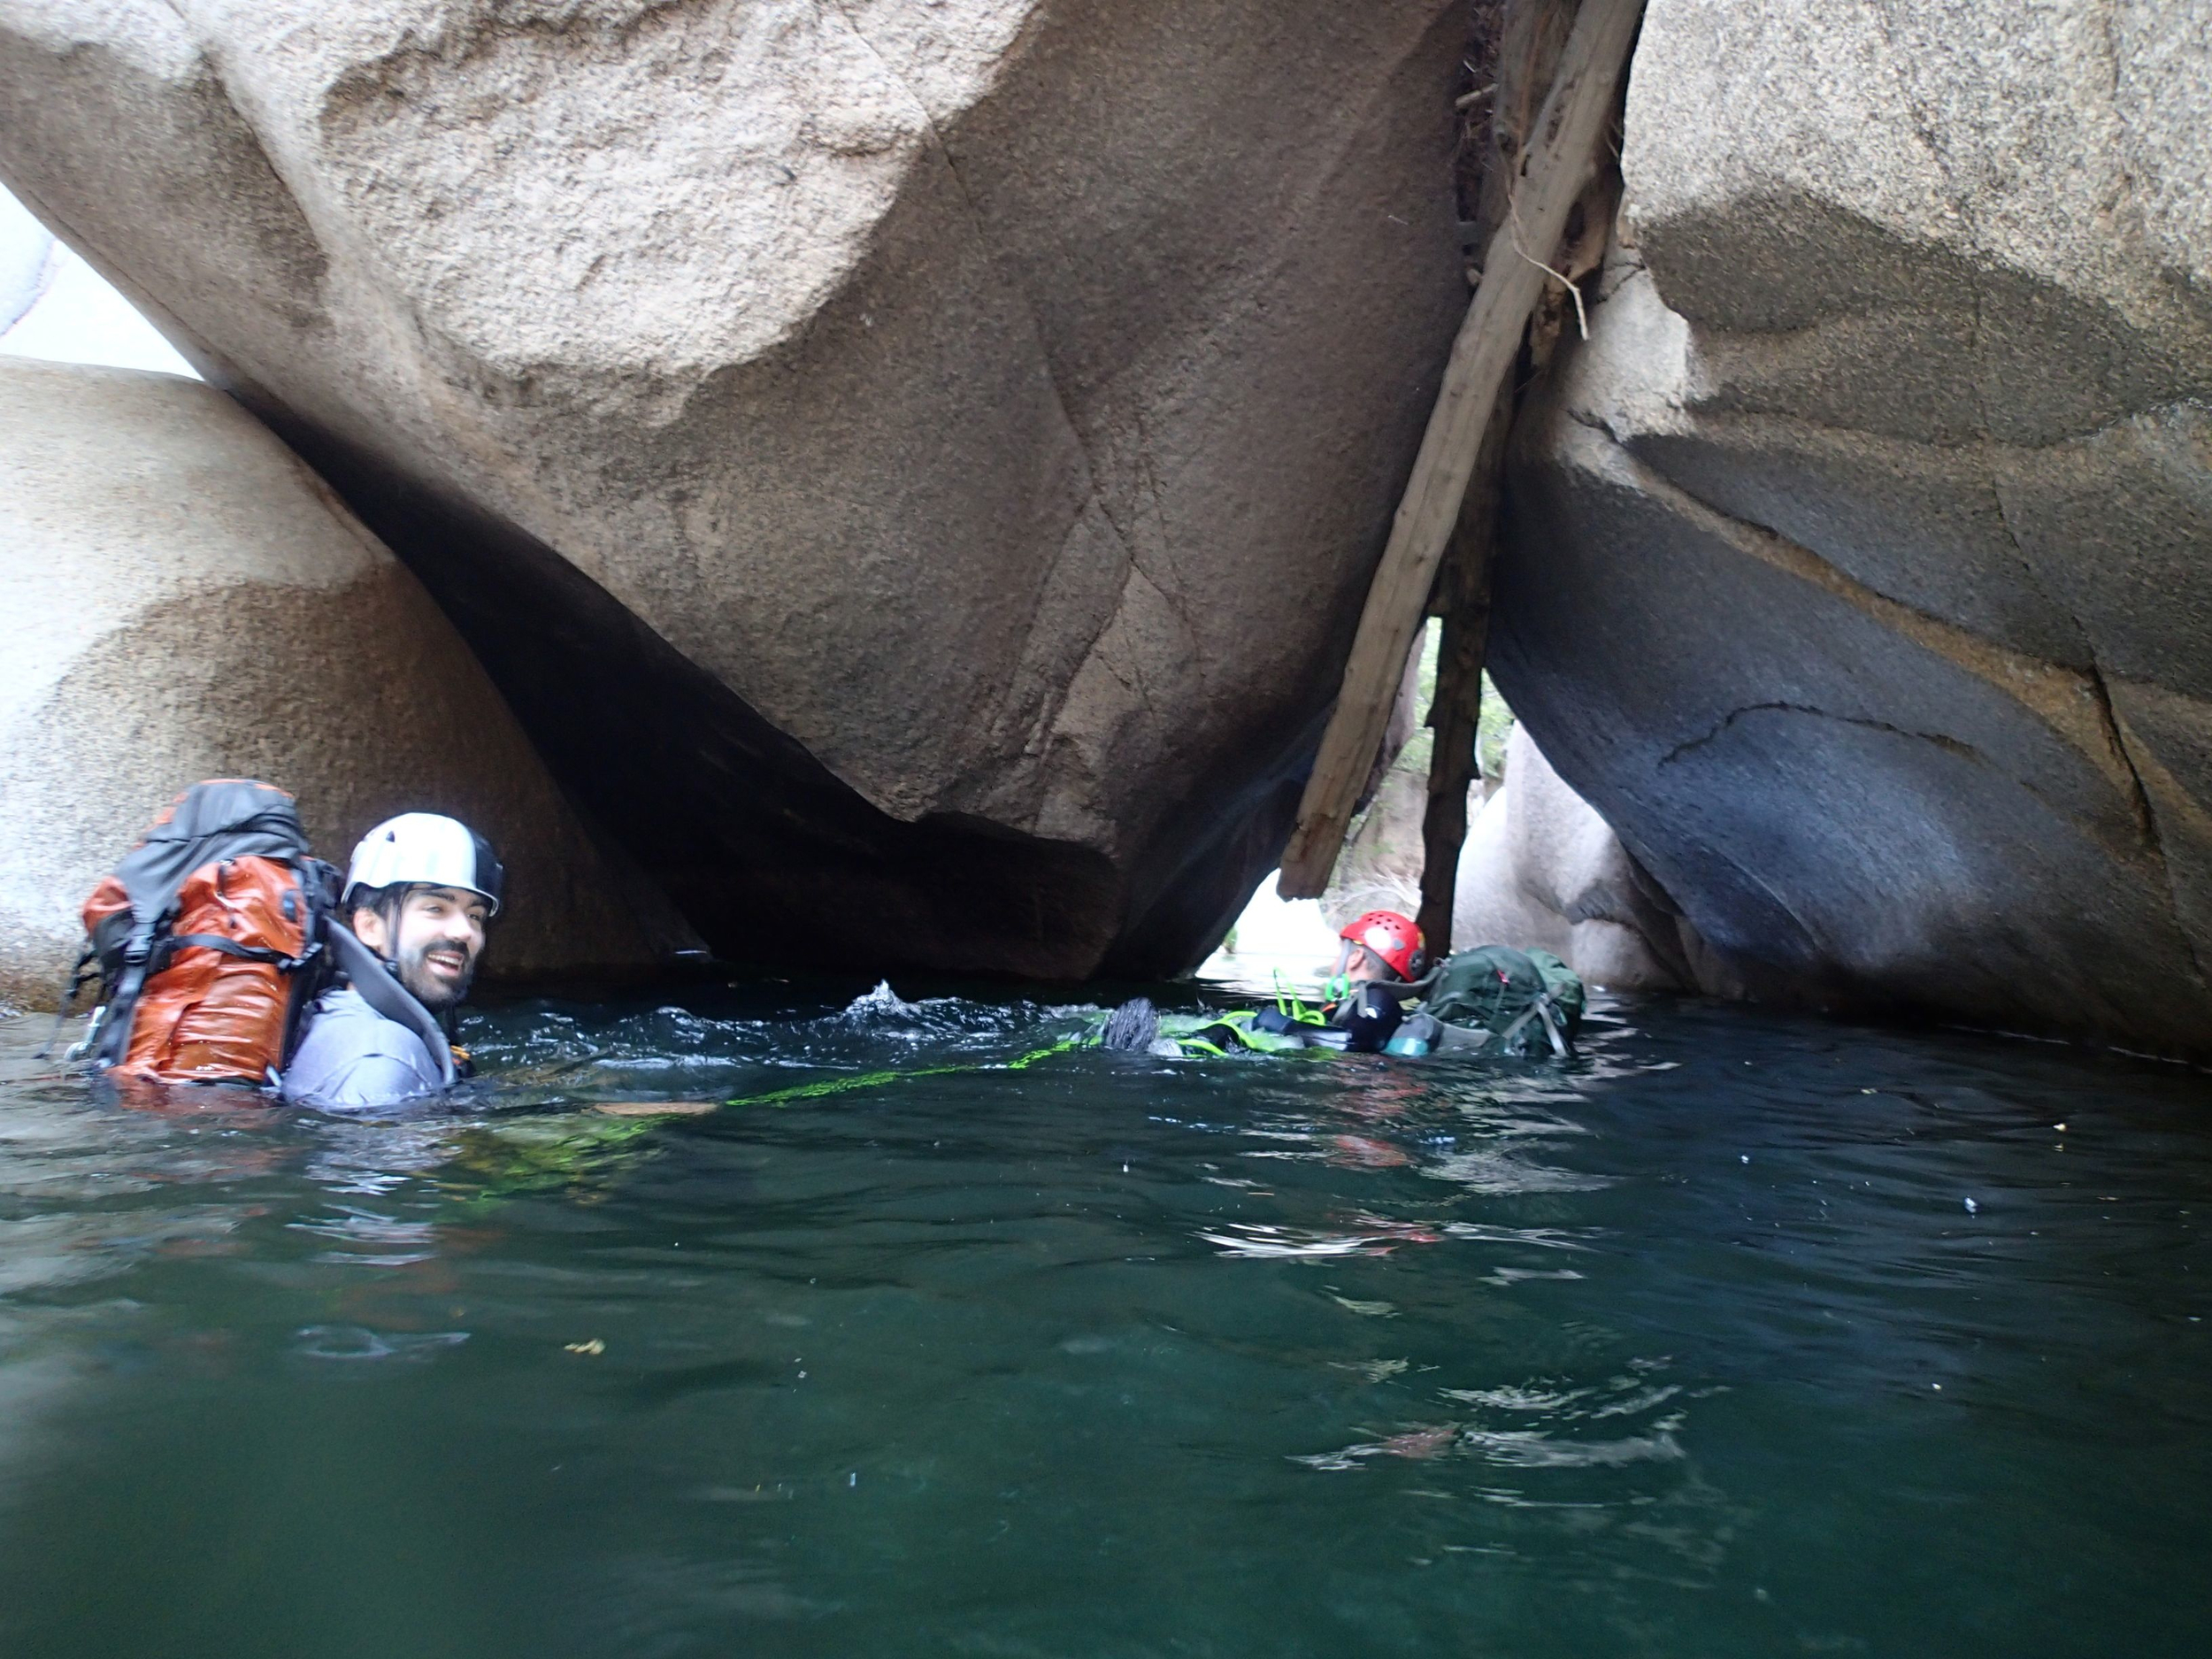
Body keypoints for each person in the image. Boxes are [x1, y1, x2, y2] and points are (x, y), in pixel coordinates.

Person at [280, 812, 503, 1111]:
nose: (465, 931)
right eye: (436, 908)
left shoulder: (342, 1016)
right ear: (370, 927)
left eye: (475, 915)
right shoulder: (382, 1061)